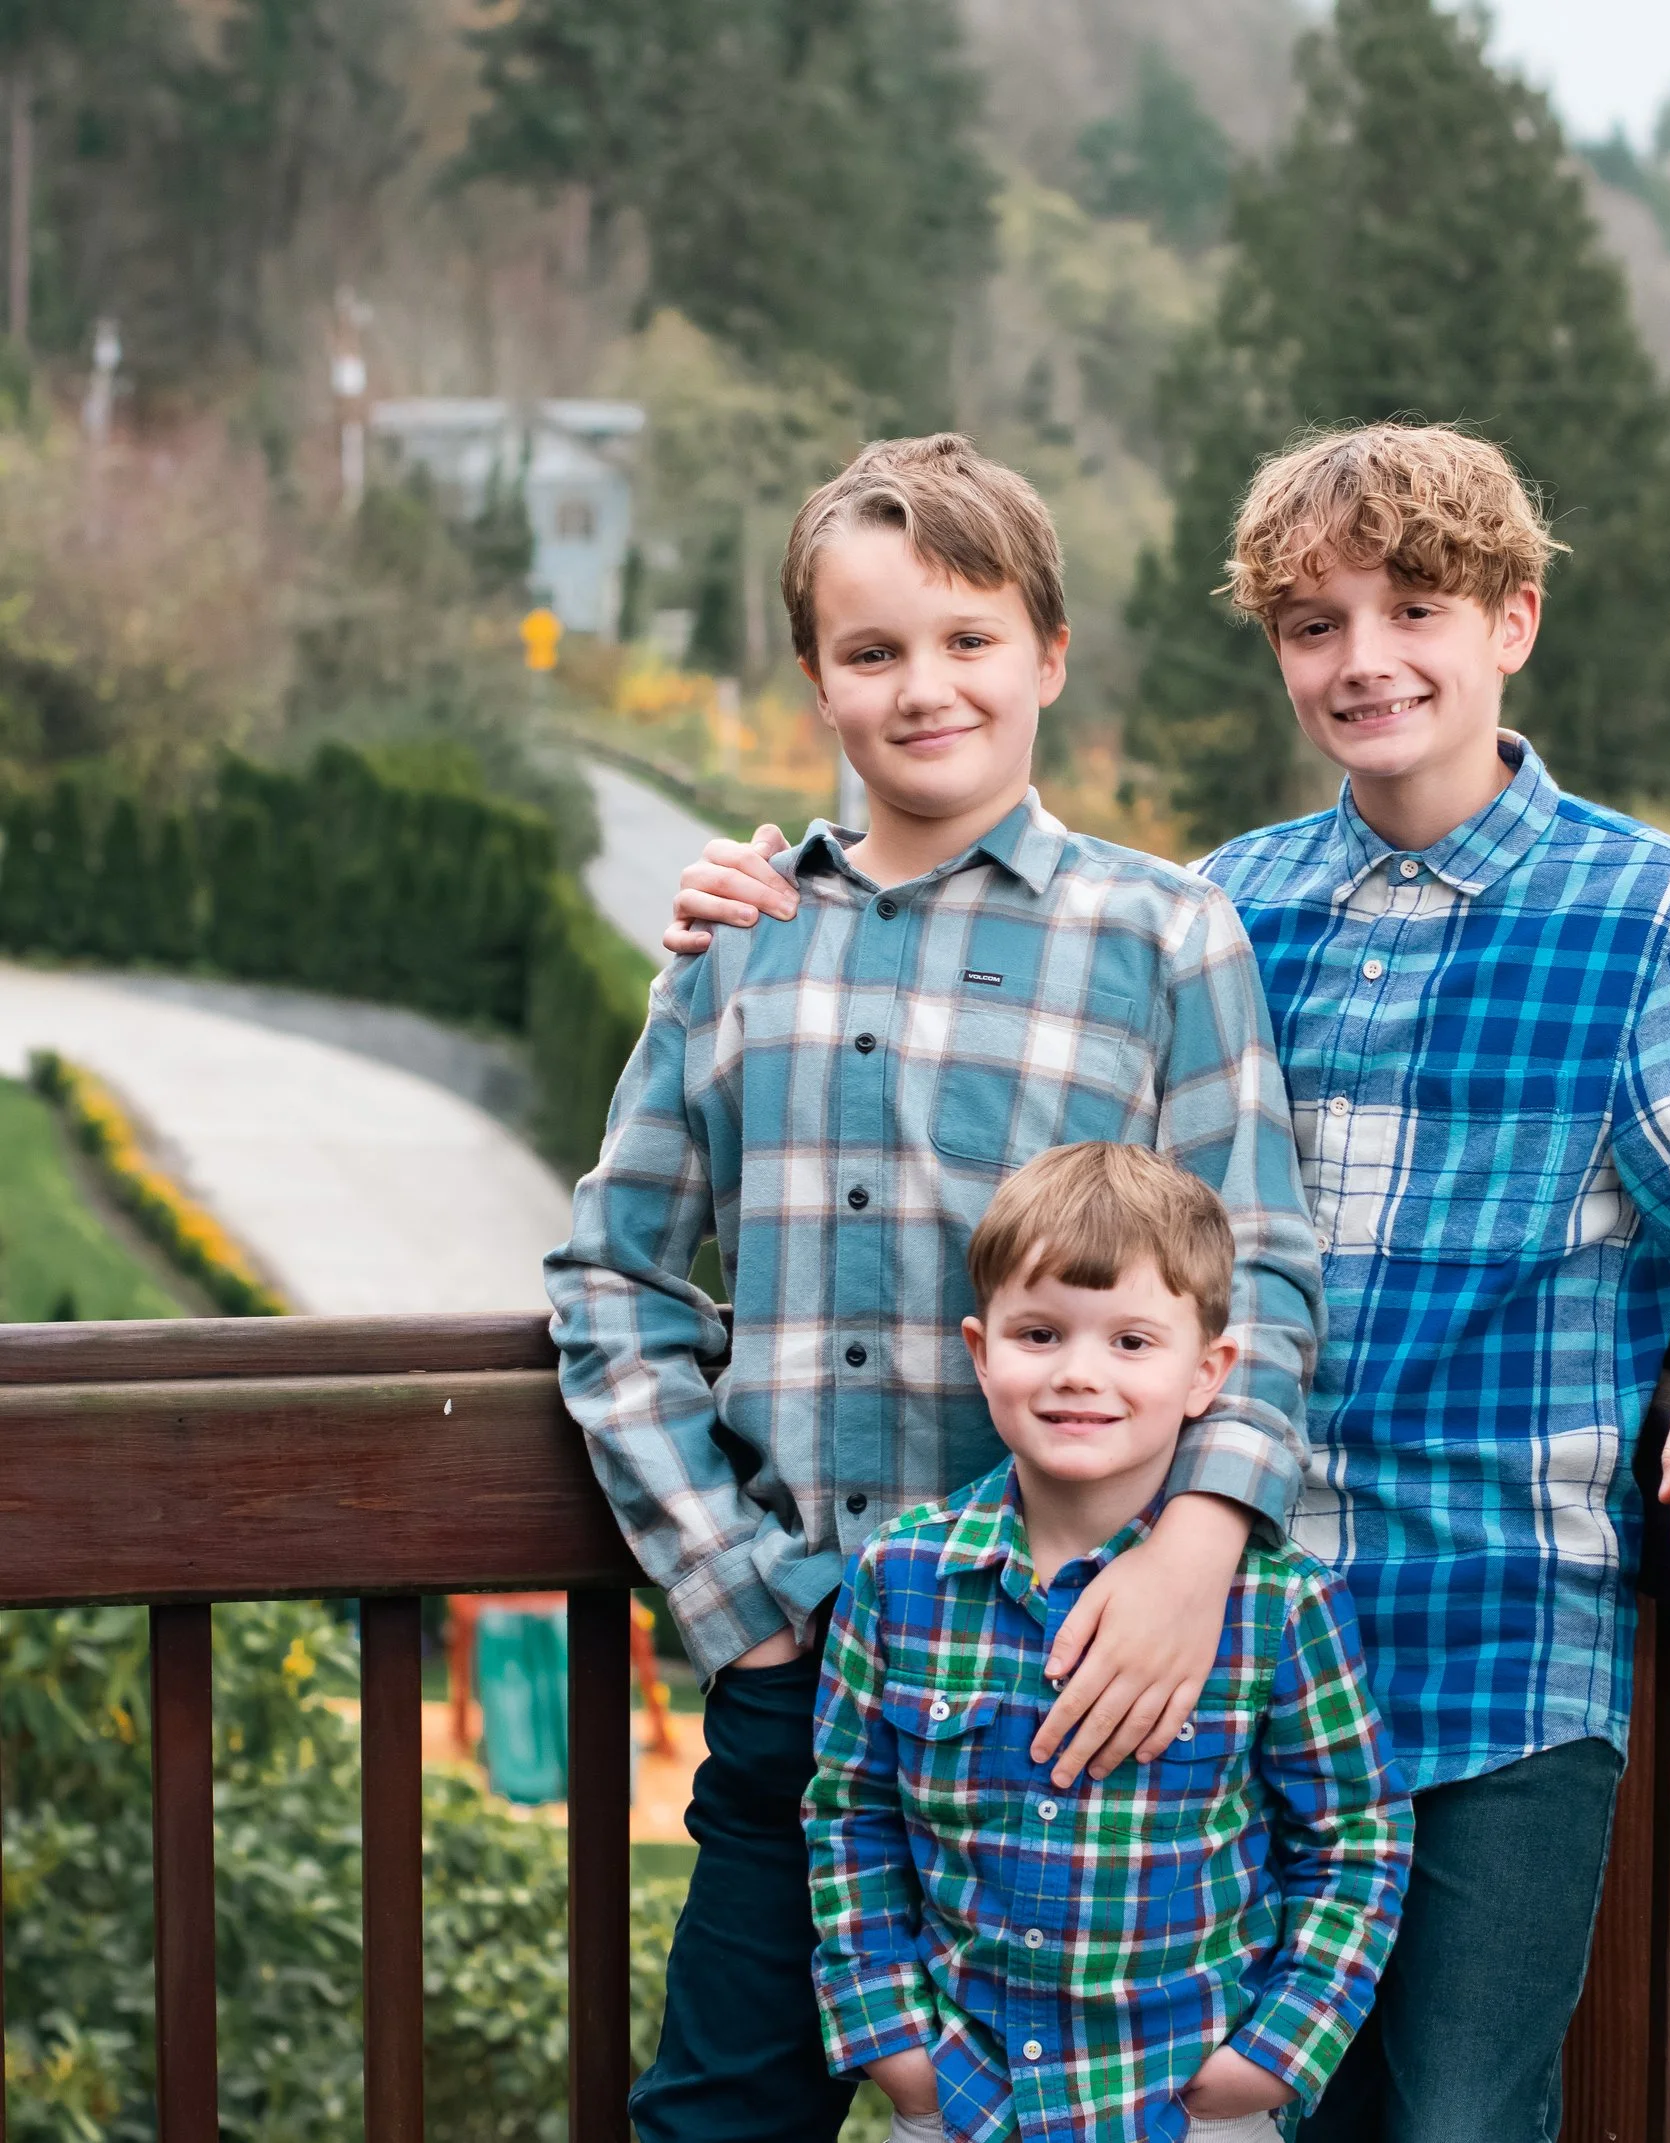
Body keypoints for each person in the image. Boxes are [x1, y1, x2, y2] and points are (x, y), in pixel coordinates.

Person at [674, 421, 1670, 2141]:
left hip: (1490, 1642)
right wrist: (772, 899)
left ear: (1514, 622)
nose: (1366, 658)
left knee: (1459, 2113)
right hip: (1218, 1635)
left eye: (1416, 608)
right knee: (1229, 2105)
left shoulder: (1654, 915)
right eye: (1316, 623)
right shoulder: (1231, 905)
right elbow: (1051, 1108)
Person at [546, 433, 1324, 2143]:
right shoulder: (739, 939)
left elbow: (1261, 1263)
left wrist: (1200, 1543)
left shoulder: (1162, 937)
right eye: (874, 649)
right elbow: (611, 1279)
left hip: (1093, 1690)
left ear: (1049, 654)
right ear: (816, 676)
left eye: (971, 639)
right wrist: (735, 1590)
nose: (926, 687)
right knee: (713, 2116)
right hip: (810, 1679)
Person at [809, 1141, 1408, 2142]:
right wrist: (896, 2047)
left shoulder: (1281, 1605)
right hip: (965, 2098)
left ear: (1207, 1371)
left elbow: (1357, 1841)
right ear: (980, 1348)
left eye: (1132, 1341)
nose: (1079, 1373)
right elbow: (848, 1818)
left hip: (1185, 2101)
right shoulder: (898, 1578)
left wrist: (1272, 2055)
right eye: (1040, 1333)